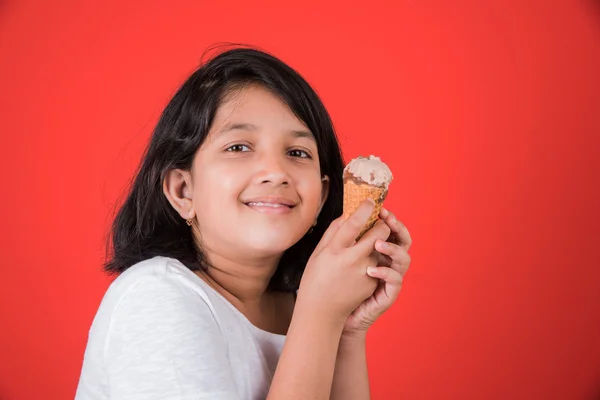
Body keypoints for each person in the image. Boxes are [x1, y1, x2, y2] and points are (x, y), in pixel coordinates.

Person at [75, 46, 412, 400]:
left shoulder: (306, 306)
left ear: (323, 198)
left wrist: (346, 330)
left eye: (297, 153)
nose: (275, 172)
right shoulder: (156, 297)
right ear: (182, 190)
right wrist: (321, 314)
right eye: (238, 147)